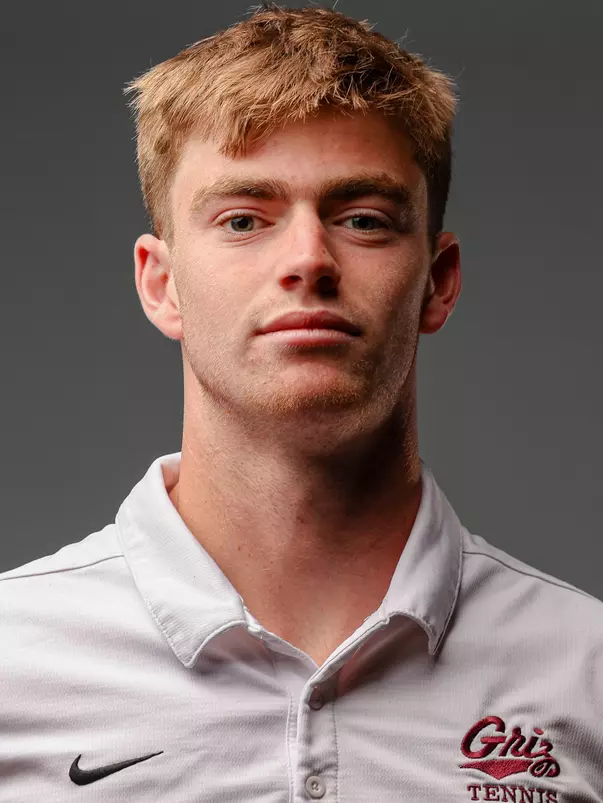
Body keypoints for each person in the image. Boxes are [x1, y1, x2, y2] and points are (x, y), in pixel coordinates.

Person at [1, 4, 601, 801]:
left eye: (362, 219)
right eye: (244, 218)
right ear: (160, 282)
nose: (308, 260)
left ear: (438, 280)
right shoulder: (15, 663)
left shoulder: (584, 670)